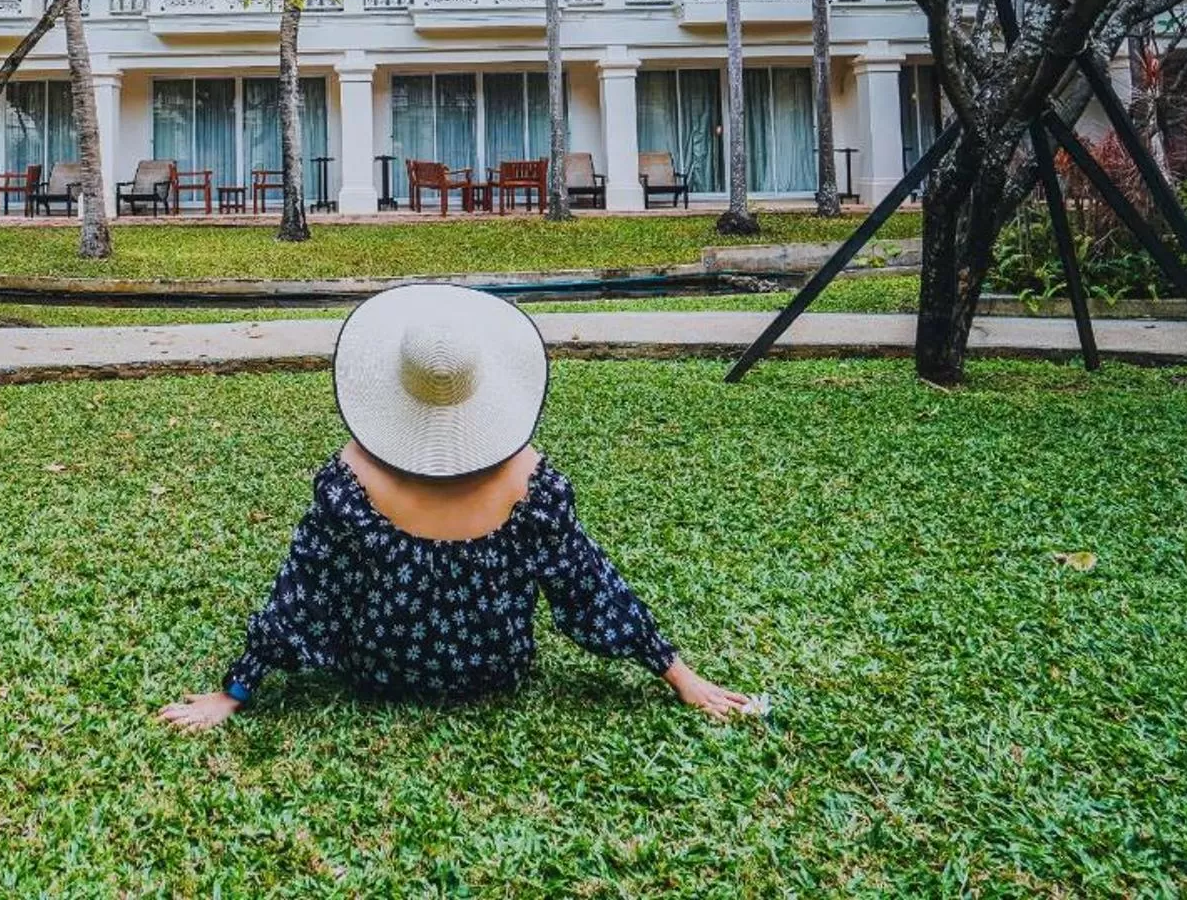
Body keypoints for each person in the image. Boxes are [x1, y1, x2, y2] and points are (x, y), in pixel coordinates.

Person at [158, 285, 753, 729]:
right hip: (493, 675)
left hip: (378, 675)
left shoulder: (351, 477)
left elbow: (304, 591)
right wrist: (680, 674)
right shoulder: (532, 483)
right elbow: (590, 589)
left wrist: (234, 692)